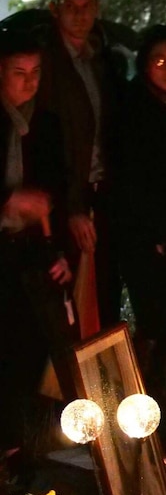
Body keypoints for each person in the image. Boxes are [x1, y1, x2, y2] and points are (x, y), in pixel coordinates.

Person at [114, 25, 166, 426]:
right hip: (144, 240)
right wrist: (159, 237)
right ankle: (142, 402)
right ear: (145, 64)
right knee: (152, 319)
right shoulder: (133, 110)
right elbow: (132, 181)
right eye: (160, 61)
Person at [37, 0, 125, 330]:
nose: (79, 14)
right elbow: (48, 143)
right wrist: (72, 206)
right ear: (54, 7)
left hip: (99, 195)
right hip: (62, 203)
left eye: (86, 5)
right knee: (67, 307)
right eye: (70, 6)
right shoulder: (44, 64)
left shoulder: (100, 60)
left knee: (100, 300)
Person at [0, 29, 76, 452]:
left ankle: (21, 451)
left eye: (36, 72)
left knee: (27, 355)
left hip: (31, 256)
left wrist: (61, 250)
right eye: (18, 73)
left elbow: (59, 193)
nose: (29, 82)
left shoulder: (45, 124)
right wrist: (10, 200)